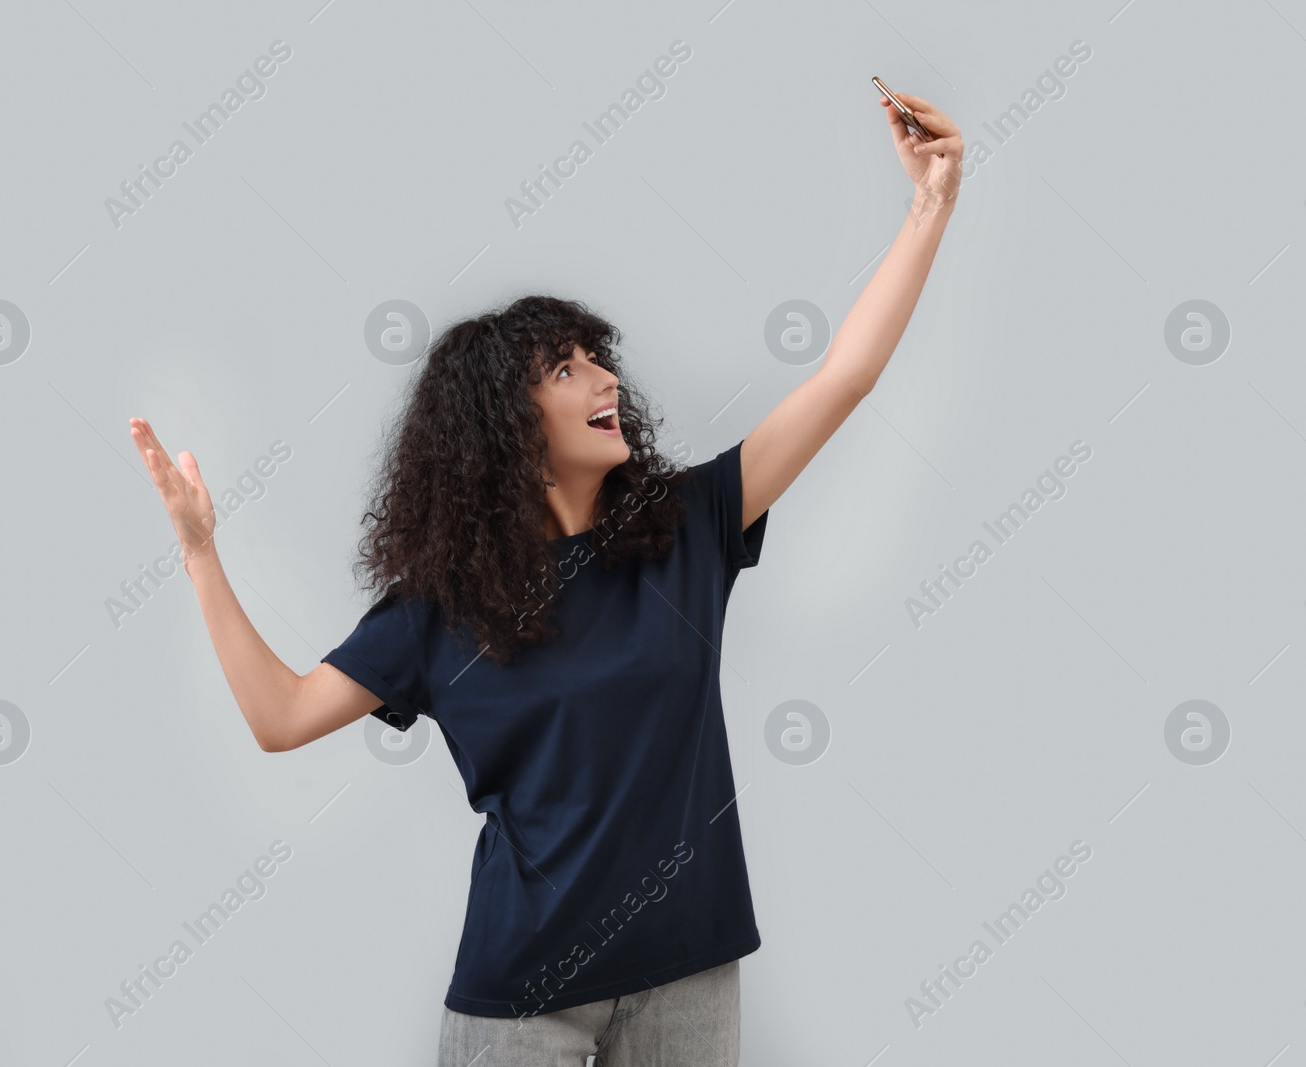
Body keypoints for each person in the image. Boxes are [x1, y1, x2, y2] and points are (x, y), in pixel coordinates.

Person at [130, 90, 960, 1066]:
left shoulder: (684, 528)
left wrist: (929, 206)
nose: (607, 379)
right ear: (507, 428)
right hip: (522, 999)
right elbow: (279, 715)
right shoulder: (436, 613)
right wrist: (199, 554)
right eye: (566, 371)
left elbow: (842, 378)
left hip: (687, 973)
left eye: (597, 361)